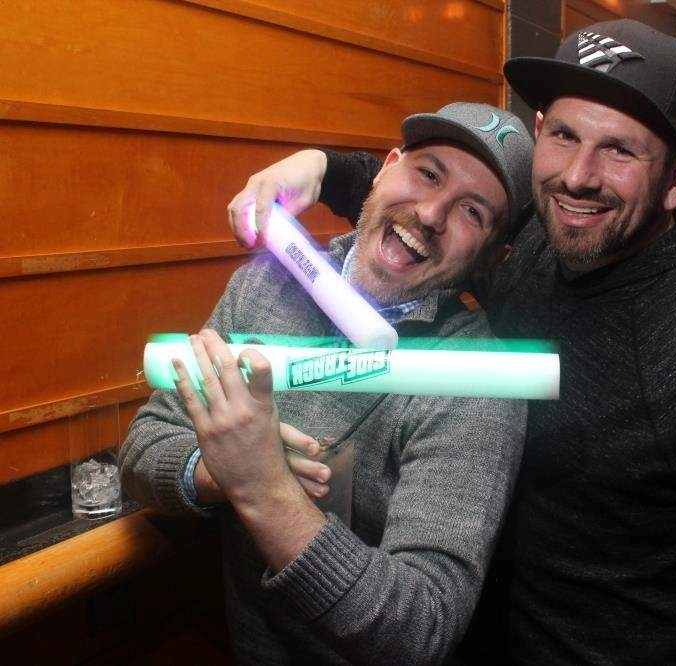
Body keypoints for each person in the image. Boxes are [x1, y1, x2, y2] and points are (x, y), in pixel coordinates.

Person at [229, 20, 676, 663]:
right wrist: (320, 166)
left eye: (620, 150)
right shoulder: (546, 235)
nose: (577, 176)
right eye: (563, 135)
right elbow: (435, 207)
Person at [120, 102, 534, 664]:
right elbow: (143, 448)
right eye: (428, 173)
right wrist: (221, 470)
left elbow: (420, 630)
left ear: (492, 258)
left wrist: (265, 488)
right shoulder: (264, 285)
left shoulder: (478, 380)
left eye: (472, 212)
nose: (431, 213)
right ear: (385, 169)